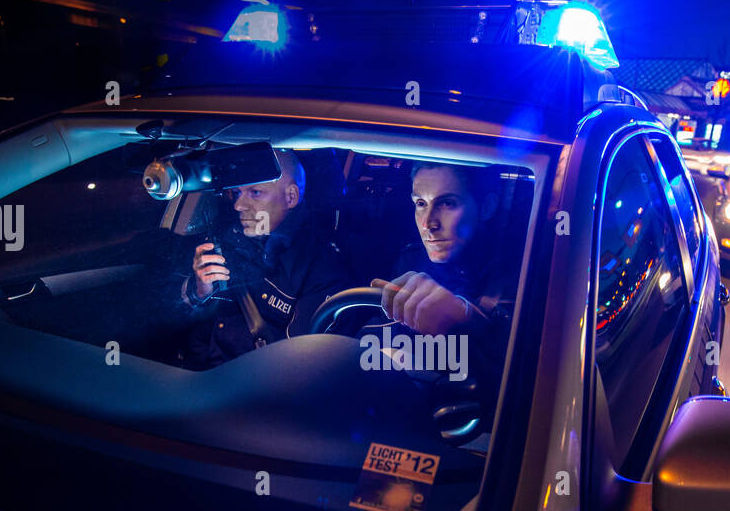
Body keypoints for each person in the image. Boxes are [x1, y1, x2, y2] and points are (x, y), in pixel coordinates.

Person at [177, 149, 346, 369]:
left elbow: (297, 367)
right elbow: (177, 317)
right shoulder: (227, 240)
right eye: (237, 193)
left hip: (252, 391)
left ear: (291, 197)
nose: (238, 205)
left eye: (255, 192)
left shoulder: (321, 267)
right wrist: (199, 290)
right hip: (197, 374)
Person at [366, 161, 517, 398]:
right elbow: (374, 335)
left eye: (447, 203)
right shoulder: (410, 260)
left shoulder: (515, 274)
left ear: (486, 207)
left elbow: (515, 375)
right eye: (421, 204)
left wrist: (465, 320)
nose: (428, 224)